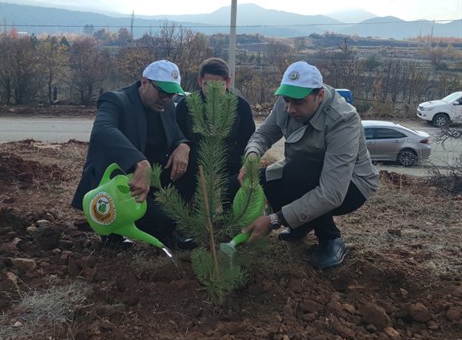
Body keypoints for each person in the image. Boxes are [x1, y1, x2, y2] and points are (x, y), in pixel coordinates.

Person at [239, 61, 379, 269]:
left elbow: (332, 192)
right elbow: (264, 134)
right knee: (264, 179)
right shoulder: (287, 103)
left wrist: (274, 220)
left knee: (297, 174)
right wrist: (251, 155)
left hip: (351, 185)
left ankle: (331, 240)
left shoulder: (343, 119)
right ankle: (301, 224)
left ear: (319, 96)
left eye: (298, 103)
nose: (290, 108)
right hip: (306, 171)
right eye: (286, 101)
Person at [71, 59, 194, 249]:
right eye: (162, 92)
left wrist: (183, 146)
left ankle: (166, 227)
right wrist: (139, 162)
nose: (167, 98)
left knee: (191, 170)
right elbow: (102, 130)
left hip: (150, 180)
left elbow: (176, 133)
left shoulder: (167, 107)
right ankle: (113, 229)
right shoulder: (115, 100)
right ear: (145, 82)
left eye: (172, 94)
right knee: (163, 221)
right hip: (119, 184)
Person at [175, 57, 256, 205]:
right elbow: (177, 135)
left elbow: (247, 139)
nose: (213, 90)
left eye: (219, 85)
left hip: (229, 165)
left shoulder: (240, 106)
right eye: (208, 84)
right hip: (193, 164)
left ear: (228, 82)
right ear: (200, 81)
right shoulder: (186, 105)